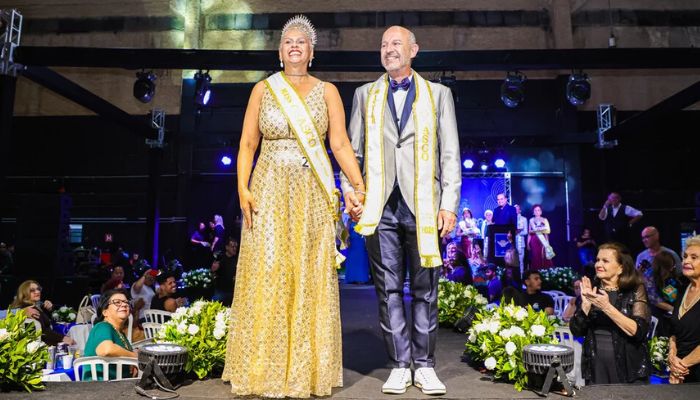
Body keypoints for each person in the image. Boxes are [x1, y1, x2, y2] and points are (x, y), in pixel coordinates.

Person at [221, 15, 365, 398]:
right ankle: (263, 371)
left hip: (311, 192)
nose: (295, 45)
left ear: (311, 52)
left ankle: (304, 372)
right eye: (289, 41)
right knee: (269, 270)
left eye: (302, 41)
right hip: (267, 188)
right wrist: (242, 187)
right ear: (280, 51)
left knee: (307, 271)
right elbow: (247, 144)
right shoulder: (263, 89)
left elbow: (340, 145)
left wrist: (359, 185)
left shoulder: (328, 91)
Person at [340, 25, 461, 395]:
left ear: (414, 50)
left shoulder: (438, 94)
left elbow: (450, 153)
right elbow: (352, 153)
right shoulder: (365, 94)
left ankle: (424, 365)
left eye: (396, 43)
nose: (389, 49)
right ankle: (398, 365)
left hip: (424, 205)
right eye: (384, 44)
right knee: (388, 289)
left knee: (426, 290)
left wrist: (449, 205)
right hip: (380, 206)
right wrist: (350, 191)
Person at [569, 243, 651, 384]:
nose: (598, 264)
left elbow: (638, 331)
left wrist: (607, 307)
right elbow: (576, 330)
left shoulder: (635, 290)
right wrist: (586, 306)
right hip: (596, 366)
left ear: (621, 268)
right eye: (597, 260)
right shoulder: (592, 290)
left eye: (605, 261)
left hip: (628, 367)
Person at [82, 289, 137, 380]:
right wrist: (134, 357)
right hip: (99, 386)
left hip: (119, 385)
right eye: (117, 302)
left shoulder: (119, 333)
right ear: (105, 312)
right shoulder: (102, 326)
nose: (124, 305)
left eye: (126, 302)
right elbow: (106, 350)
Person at [668, 235, 700, 384]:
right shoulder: (682, 289)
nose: (686, 261)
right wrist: (672, 356)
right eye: (685, 257)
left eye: (694, 257)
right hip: (680, 372)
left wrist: (681, 366)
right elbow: (674, 330)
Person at [10, 280, 75, 346]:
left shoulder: (35, 306)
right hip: (43, 346)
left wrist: (48, 309)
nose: (37, 292)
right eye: (32, 290)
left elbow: (46, 324)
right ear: (24, 293)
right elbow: (42, 331)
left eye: (38, 289)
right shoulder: (29, 309)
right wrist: (63, 338)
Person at [211, 237, 238, 306]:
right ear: (227, 247)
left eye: (236, 247)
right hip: (221, 290)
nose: (234, 249)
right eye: (232, 246)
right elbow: (212, 272)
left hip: (232, 291)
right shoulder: (220, 258)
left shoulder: (237, 260)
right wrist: (213, 270)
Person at [344, 218, 371, 284]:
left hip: (361, 242)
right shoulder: (350, 220)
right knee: (352, 260)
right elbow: (347, 231)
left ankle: (361, 278)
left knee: (361, 259)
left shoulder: (363, 218)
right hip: (352, 243)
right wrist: (347, 240)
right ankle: (352, 278)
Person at [527, 204, 554, 269]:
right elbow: (529, 233)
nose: (537, 212)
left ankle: (545, 271)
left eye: (538, 210)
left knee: (544, 255)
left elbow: (547, 232)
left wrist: (547, 243)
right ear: (533, 212)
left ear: (541, 211)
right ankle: (536, 271)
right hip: (534, 240)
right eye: (535, 210)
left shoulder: (544, 220)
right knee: (535, 256)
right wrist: (527, 243)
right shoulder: (531, 220)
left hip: (543, 239)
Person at [514, 204, 528, 272]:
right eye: (515, 209)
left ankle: (521, 276)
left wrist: (517, 232)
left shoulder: (524, 219)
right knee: (512, 261)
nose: (516, 210)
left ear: (520, 210)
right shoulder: (510, 219)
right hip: (512, 243)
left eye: (517, 209)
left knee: (520, 261)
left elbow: (525, 232)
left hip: (521, 243)